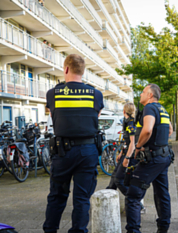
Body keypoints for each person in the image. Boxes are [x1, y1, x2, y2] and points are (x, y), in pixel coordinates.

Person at [43, 54, 104, 233]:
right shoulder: (96, 94)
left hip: (62, 152)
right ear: (83, 71)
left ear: (66, 69)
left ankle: (50, 230)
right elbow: (96, 116)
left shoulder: (53, 93)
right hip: (88, 150)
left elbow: (53, 114)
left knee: (57, 196)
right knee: (82, 198)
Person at [125, 84, 173, 233]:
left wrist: (138, 147)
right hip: (164, 157)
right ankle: (163, 228)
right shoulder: (162, 109)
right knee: (162, 193)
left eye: (144, 92)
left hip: (152, 158)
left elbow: (147, 129)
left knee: (133, 195)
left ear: (151, 95)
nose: (141, 94)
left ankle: (133, 230)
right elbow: (170, 130)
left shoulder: (150, 108)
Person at [107, 103, 138, 195]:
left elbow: (132, 143)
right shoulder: (127, 122)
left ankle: (134, 200)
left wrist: (127, 158)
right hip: (125, 153)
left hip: (130, 155)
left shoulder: (131, 123)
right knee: (114, 176)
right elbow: (126, 141)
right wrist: (121, 153)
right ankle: (107, 197)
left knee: (118, 179)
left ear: (124, 111)